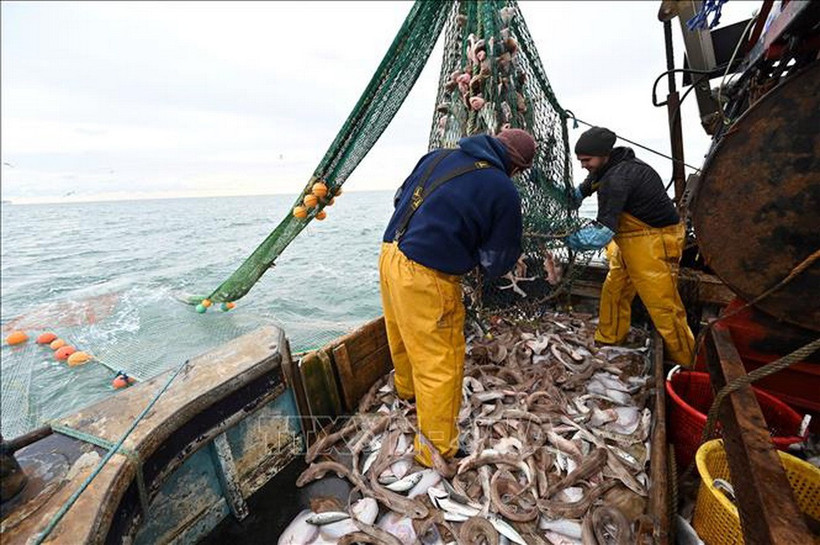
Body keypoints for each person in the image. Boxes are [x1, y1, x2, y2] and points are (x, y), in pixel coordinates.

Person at [379, 128, 536, 467]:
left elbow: (400, 197)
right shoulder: (503, 188)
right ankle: (435, 451)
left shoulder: (439, 155)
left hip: (390, 253)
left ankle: (406, 393)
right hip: (426, 274)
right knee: (441, 362)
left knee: (402, 333)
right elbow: (496, 261)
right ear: (517, 167)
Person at [566, 126, 695, 366]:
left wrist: (567, 238)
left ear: (603, 154)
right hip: (629, 240)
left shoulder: (618, 178)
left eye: (587, 160)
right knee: (615, 288)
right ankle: (609, 340)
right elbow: (575, 197)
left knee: (664, 308)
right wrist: (541, 182)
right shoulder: (603, 169)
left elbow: (601, 235)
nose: (583, 165)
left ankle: (687, 362)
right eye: (580, 160)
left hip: (656, 240)